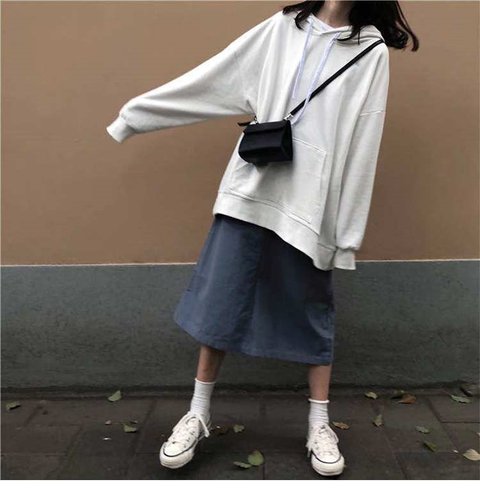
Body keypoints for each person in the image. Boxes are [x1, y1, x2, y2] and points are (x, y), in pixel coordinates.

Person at [106, 0, 419, 478]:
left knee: (311, 308)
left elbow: (364, 140)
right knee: (221, 299)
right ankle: (197, 413)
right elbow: (217, 78)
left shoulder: (369, 49)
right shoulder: (283, 28)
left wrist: (346, 233)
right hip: (251, 188)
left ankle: (319, 423)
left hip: (310, 203)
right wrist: (135, 115)